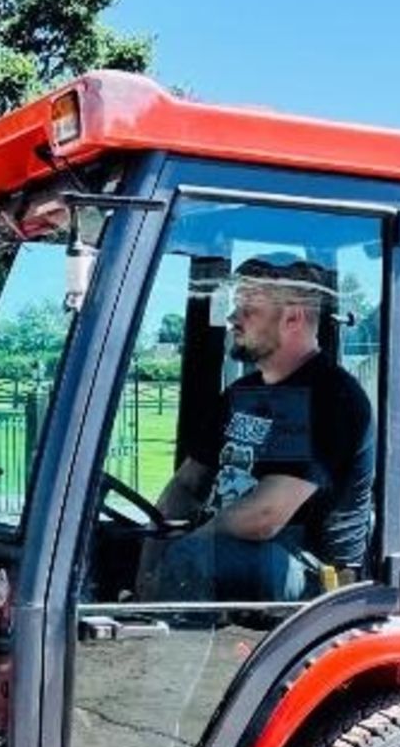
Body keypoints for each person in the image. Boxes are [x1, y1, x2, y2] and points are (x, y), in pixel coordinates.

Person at [143, 254, 374, 601]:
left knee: (195, 556)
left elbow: (265, 515)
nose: (233, 318)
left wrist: (190, 543)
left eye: (249, 308)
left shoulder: (332, 397)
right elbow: (188, 482)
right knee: (120, 546)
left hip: (312, 580)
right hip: (243, 552)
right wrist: (151, 553)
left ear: (293, 317)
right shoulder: (241, 394)